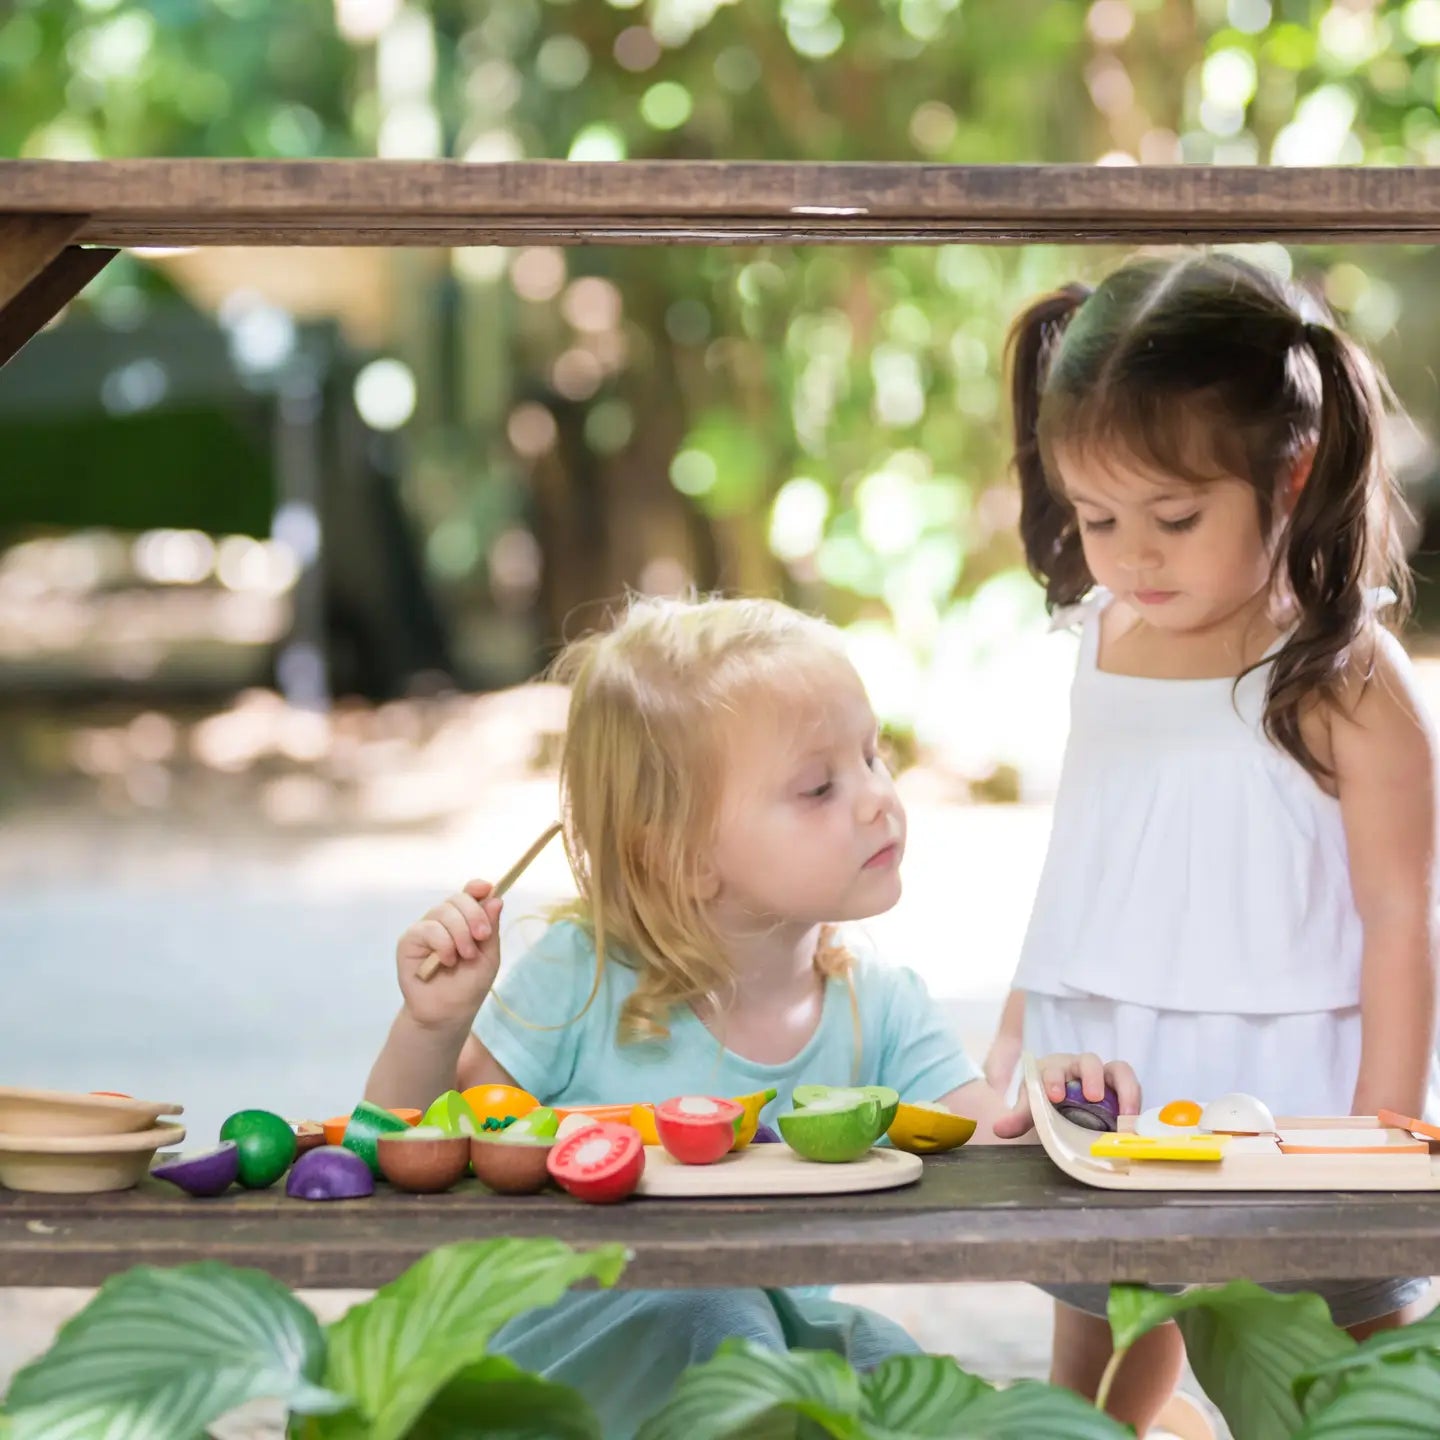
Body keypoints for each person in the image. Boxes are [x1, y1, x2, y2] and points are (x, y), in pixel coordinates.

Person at [367, 593, 1137, 1440]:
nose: (879, 798)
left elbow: (992, 1144)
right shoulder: (581, 979)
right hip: (552, 1363)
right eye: (819, 787)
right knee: (719, 1316)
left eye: (874, 757)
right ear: (683, 857)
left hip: (757, 1349)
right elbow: (415, 1143)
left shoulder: (873, 1001)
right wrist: (433, 1028)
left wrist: (1063, 1106)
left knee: (888, 1363)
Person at [985, 252, 1440, 1433]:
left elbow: (1401, 914)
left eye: (1177, 519)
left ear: (1288, 473)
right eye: (1098, 519)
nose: (1133, 556)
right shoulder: (1104, 640)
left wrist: (1381, 1135)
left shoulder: (1340, 672)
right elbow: (1088, 852)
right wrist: (1020, 1029)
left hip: (1291, 1079)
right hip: (1113, 1059)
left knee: (1346, 1358)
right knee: (1101, 1328)